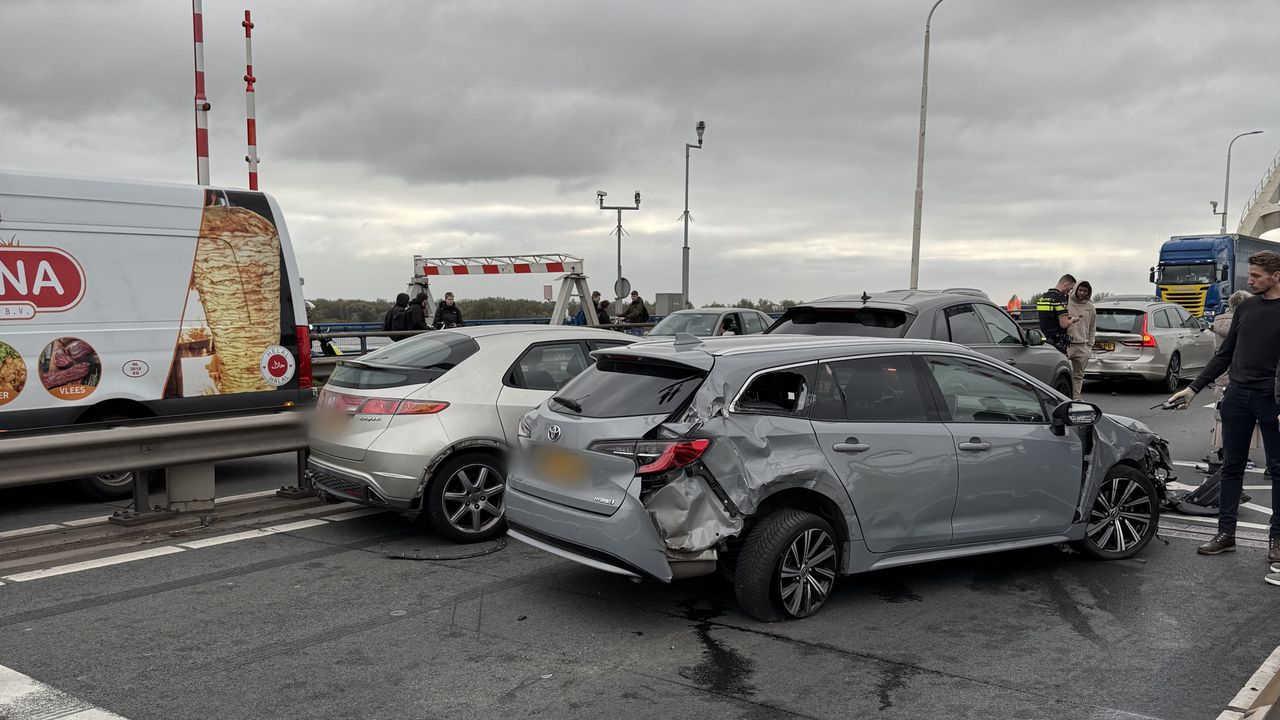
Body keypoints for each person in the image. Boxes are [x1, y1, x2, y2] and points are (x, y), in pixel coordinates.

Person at [1165, 251, 1280, 573]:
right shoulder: (1245, 308)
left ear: (1277, 276)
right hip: (1238, 396)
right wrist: (1192, 388)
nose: (1250, 280)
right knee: (1230, 468)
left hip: (1273, 400)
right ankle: (1225, 533)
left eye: (1256, 276)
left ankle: (1277, 540)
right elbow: (1224, 356)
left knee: (1278, 470)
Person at [1065, 281, 1096, 400]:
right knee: (1062, 373)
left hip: (1083, 345)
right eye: (1080, 290)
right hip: (1068, 345)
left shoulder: (1090, 307)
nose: (1082, 293)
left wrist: (1090, 345)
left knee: (1078, 376)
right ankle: (1062, 398)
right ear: (1076, 289)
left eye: (1085, 291)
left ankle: (1076, 399)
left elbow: (1092, 327)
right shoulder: (1066, 302)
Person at [1036, 274, 1078, 354]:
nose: (1069, 291)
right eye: (1070, 288)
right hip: (1057, 342)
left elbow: (1049, 317)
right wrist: (1073, 319)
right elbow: (1064, 324)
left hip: (1045, 340)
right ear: (1067, 284)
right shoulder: (1060, 298)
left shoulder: (1043, 297)